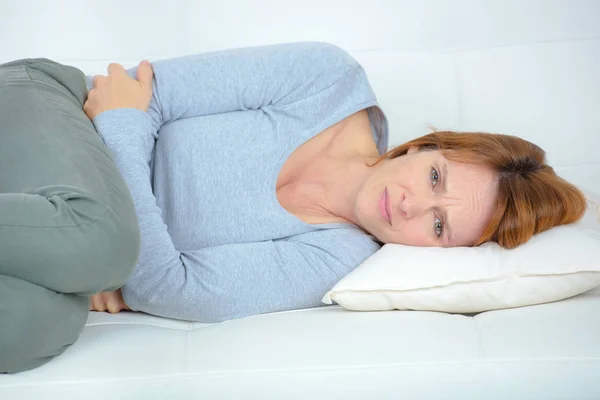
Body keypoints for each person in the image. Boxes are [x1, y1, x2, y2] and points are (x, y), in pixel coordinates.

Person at [83, 42, 586, 322]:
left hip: (76, 235)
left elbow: (173, 288)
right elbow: (133, 93)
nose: (413, 207)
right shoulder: (327, 80)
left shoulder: (337, 260)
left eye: (439, 227)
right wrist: (127, 261)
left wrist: (134, 269)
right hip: (71, 128)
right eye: (435, 177)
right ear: (425, 146)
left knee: (37, 324)